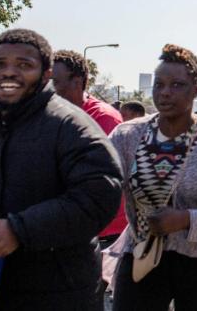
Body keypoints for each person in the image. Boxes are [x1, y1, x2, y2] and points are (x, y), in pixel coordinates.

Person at [0, 29, 122, 310]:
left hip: (59, 291)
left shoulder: (72, 126)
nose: (9, 73)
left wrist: (19, 230)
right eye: (0, 64)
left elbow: (98, 196)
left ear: (46, 74)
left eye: (24, 65)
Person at [109, 44, 197, 311]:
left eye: (177, 85)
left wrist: (186, 219)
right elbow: (101, 185)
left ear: (196, 91)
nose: (165, 92)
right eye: (159, 84)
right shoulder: (126, 136)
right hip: (142, 256)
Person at [51, 49, 128, 249]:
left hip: (103, 235)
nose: (47, 89)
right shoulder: (51, 116)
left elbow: (96, 181)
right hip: (67, 228)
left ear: (77, 82)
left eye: (55, 82)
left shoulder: (103, 118)